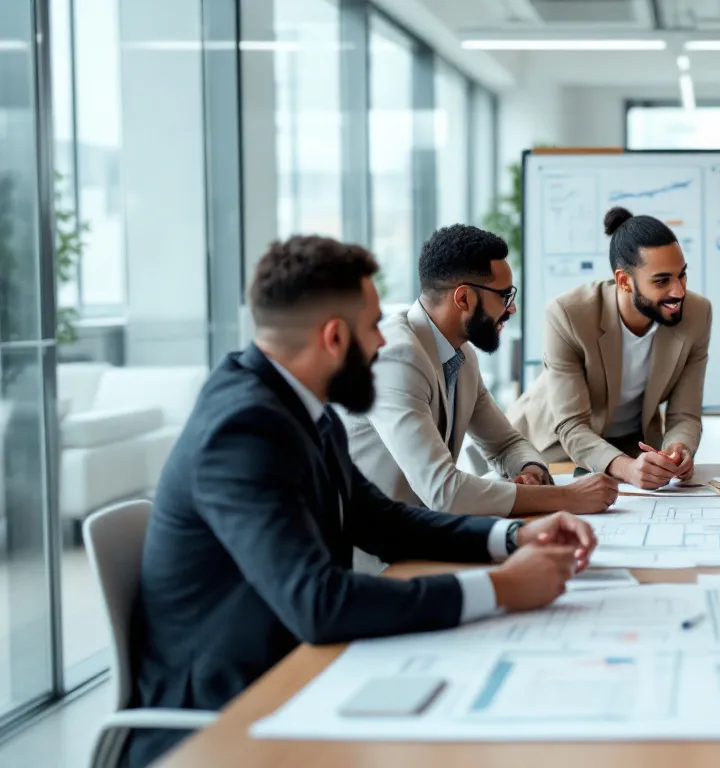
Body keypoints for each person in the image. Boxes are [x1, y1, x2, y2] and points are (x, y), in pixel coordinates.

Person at [127, 236, 598, 768]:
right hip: (231, 713)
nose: (382, 342)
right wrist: (502, 586)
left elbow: (378, 519)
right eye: (374, 325)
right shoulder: (243, 429)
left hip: (303, 670)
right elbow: (318, 603)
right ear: (334, 336)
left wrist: (512, 537)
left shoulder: (303, 404)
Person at [341, 225, 618, 521]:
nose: (511, 310)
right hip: (375, 554)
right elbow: (444, 492)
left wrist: (529, 470)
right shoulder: (396, 357)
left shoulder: (461, 354)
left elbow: (506, 444)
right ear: (464, 299)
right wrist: (566, 497)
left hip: (423, 534)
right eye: (504, 296)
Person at [509, 206, 712, 489]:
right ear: (624, 281)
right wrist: (627, 469)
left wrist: (679, 449)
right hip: (554, 451)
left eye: (682, 275)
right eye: (662, 280)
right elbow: (571, 426)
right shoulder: (568, 314)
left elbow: (685, 414)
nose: (678, 291)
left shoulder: (697, 314)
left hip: (632, 447)